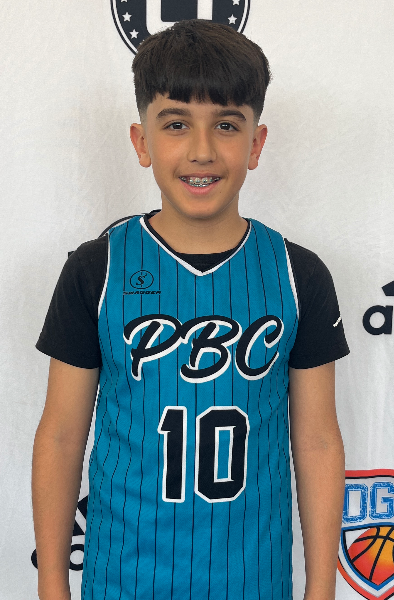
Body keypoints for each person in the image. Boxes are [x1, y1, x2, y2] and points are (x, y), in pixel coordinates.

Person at [32, 19, 349, 600]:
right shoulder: (96, 270)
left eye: (226, 125)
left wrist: (321, 587)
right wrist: (52, 581)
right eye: (176, 124)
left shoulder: (298, 275)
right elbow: (60, 435)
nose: (201, 150)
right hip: (123, 578)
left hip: (253, 579)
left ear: (256, 144)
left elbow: (318, 442)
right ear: (141, 141)